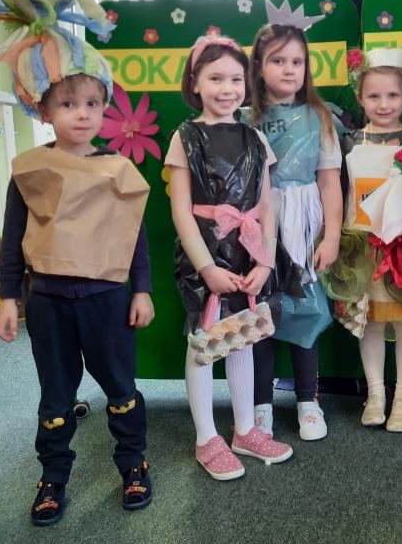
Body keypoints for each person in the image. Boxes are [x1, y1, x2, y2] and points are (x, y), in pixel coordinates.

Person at [0, 0, 154, 525]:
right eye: (69, 103)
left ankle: (133, 462)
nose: (83, 114)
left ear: (105, 108)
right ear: (43, 107)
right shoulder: (32, 170)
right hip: (49, 299)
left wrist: (142, 290)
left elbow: (133, 238)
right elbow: (13, 239)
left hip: (106, 298)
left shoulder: (117, 170)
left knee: (120, 386)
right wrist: (7, 297)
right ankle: (53, 475)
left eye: (93, 104)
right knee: (55, 393)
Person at [167, 33, 293, 481]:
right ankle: (206, 437)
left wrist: (265, 262)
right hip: (205, 253)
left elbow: (266, 206)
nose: (227, 88)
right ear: (195, 83)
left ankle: (244, 431)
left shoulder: (255, 138)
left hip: (248, 250)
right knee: (204, 342)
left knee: (243, 336)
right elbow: (181, 211)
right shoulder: (186, 137)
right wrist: (206, 267)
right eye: (215, 78)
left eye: (236, 79)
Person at [247, 4, 344, 441]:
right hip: (258, 224)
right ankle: (260, 404)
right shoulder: (245, 119)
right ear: (258, 66)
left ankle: (308, 400)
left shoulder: (319, 117)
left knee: (304, 309)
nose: (289, 69)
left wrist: (332, 235)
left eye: (297, 61)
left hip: (303, 223)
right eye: (278, 60)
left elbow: (330, 180)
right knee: (260, 312)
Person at [324, 48, 402, 432]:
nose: (384, 104)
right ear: (360, 98)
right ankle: (375, 394)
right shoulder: (350, 142)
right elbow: (339, 195)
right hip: (362, 250)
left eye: (392, 95)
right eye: (374, 96)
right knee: (366, 323)